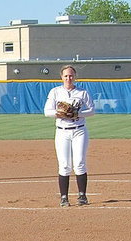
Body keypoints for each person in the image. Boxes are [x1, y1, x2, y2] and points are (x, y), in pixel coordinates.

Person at [44, 65, 95, 207]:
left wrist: (77, 114)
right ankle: (64, 197)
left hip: (79, 130)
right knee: (64, 165)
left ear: (75, 77)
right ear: (61, 77)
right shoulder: (55, 92)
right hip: (62, 131)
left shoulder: (82, 92)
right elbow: (46, 111)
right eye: (66, 76)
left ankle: (82, 196)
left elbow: (91, 111)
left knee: (79, 162)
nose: (68, 78)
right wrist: (60, 113)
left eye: (71, 75)